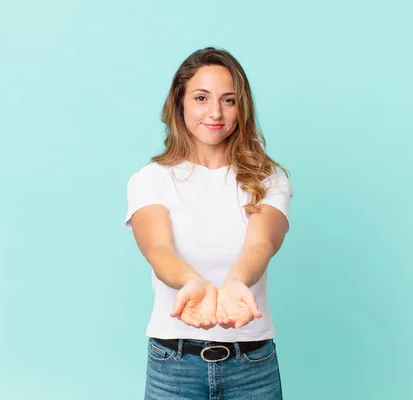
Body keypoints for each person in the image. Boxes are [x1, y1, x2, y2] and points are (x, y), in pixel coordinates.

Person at [124, 47, 292, 400]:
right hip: (174, 363)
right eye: (201, 98)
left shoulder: (269, 178)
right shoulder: (150, 179)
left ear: (241, 108)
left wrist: (235, 282)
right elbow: (158, 248)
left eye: (229, 100)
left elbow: (261, 244)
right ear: (180, 103)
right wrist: (191, 281)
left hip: (252, 365)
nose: (215, 112)